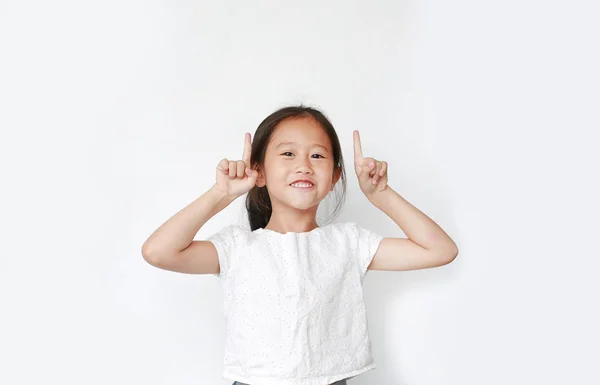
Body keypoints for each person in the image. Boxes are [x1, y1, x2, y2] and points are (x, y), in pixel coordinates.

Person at [141, 105, 459, 385]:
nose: (304, 165)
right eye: (288, 153)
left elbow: (440, 250)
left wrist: (381, 196)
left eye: (317, 155)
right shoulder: (237, 247)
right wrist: (221, 194)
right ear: (259, 171)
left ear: (335, 176)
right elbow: (158, 251)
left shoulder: (348, 243)